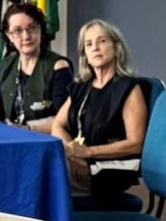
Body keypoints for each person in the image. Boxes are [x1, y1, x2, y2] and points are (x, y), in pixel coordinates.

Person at [52, 19, 147, 199]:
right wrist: (72, 153)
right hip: (76, 163)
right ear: (85, 54)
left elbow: (136, 143)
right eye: (89, 44)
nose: (95, 47)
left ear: (117, 48)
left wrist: (87, 153)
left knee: (44, 177)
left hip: (107, 169)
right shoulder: (80, 87)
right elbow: (57, 125)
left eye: (102, 41)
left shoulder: (129, 88)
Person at [0, 2, 73, 133]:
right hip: (10, 139)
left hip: (46, 141)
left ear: (41, 30)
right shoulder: (3, 67)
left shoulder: (58, 67)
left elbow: (67, 121)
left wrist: (27, 129)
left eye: (32, 27)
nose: (26, 36)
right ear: (9, 36)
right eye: (18, 31)